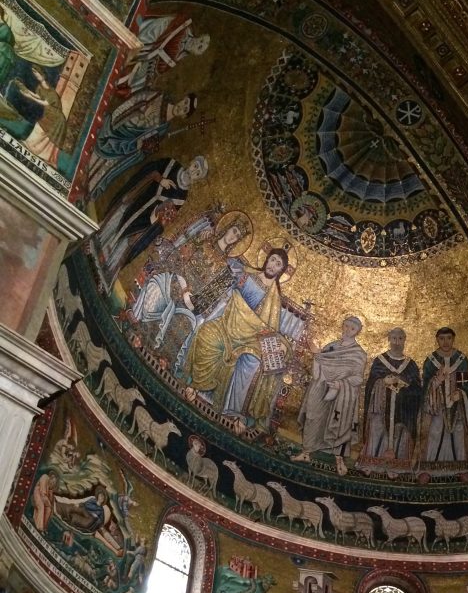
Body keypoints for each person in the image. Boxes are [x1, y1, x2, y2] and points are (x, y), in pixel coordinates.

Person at [183, 242, 303, 432]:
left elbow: (269, 327)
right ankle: (198, 385)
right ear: (266, 259)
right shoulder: (246, 275)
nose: (272, 265)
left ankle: (234, 412)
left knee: (252, 361)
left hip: (251, 337)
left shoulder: (275, 298)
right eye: (272, 260)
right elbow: (230, 295)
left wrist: (278, 343)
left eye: (278, 264)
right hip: (227, 324)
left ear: (282, 270)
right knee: (207, 334)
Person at [94, 155, 208, 289]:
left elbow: (166, 217)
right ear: (191, 162)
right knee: (116, 223)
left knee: (126, 242)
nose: (193, 172)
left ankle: (104, 268)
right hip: (136, 199)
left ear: (197, 179)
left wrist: (159, 217)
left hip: (145, 220)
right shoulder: (171, 165)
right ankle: (96, 248)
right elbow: (148, 170)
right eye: (195, 166)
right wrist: (160, 179)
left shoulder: (182, 197)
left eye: (197, 173)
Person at [88, 89, 198, 198]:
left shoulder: (164, 129)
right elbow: (132, 102)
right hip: (117, 130)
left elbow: (145, 150)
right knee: (93, 156)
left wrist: (141, 148)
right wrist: (115, 120)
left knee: (105, 170)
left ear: (184, 116)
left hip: (127, 148)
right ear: (183, 98)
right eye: (185, 103)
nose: (182, 107)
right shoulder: (156, 97)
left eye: (185, 110)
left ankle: (87, 189)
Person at [293, 316, 367, 475]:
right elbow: (318, 366)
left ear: (357, 332)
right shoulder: (331, 346)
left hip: (342, 393)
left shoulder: (359, 353)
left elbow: (358, 378)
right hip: (321, 387)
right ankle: (306, 452)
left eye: (352, 328)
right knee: (312, 416)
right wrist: (316, 356)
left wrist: (341, 384)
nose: (348, 330)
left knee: (339, 422)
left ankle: (339, 460)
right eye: (346, 326)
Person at [357, 327, 421, 477]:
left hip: (403, 410)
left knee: (401, 433)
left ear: (405, 340)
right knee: (377, 429)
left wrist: (404, 383)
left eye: (400, 338)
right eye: (394, 338)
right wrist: (382, 381)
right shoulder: (380, 361)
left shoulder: (410, 365)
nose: (397, 342)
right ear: (389, 340)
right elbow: (371, 383)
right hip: (381, 407)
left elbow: (418, 389)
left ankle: (397, 466)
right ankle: (371, 463)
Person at [420, 327, 468, 478]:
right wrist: (436, 382)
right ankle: (428, 468)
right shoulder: (431, 361)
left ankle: (462, 467)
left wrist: (462, 394)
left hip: (457, 407)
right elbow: (425, 387)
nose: (445, 342)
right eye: (442, 338)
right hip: (438, 406)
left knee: (458, 434)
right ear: (437, 340)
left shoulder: (461, 359)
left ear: (453, 339)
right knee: (435, 433)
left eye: (449, 338)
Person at [14, 66, 68, 166]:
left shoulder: (52, 92)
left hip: (57, 118)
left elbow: (45, 103)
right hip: (50, 114)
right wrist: (26, 90)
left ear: (43, 74)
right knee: (40, 127)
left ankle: (34, 149)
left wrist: (30, 97)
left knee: (43, 129)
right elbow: (37, 96)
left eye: (37, 73)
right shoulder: (39, 87)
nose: (36, 75)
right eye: (34, 73)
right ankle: (30, 145)